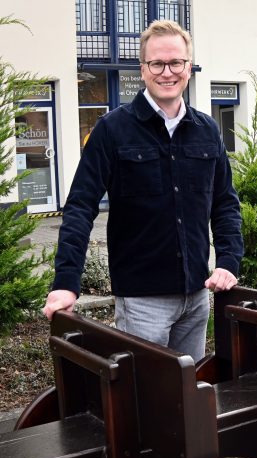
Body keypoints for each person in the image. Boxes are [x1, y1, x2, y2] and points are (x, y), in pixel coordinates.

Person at [43, 20, 243, 362]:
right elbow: (80, 206)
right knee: (144, 402)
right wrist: (66, 281)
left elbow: (225, 204)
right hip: (142, 303)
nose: (168, 72)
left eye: (176, 62)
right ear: (143, 69)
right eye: (157, 63)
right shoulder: (112, 130)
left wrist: (228, 260)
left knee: (185, 400)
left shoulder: (207, 130)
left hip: (196, 298)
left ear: (188, 67)